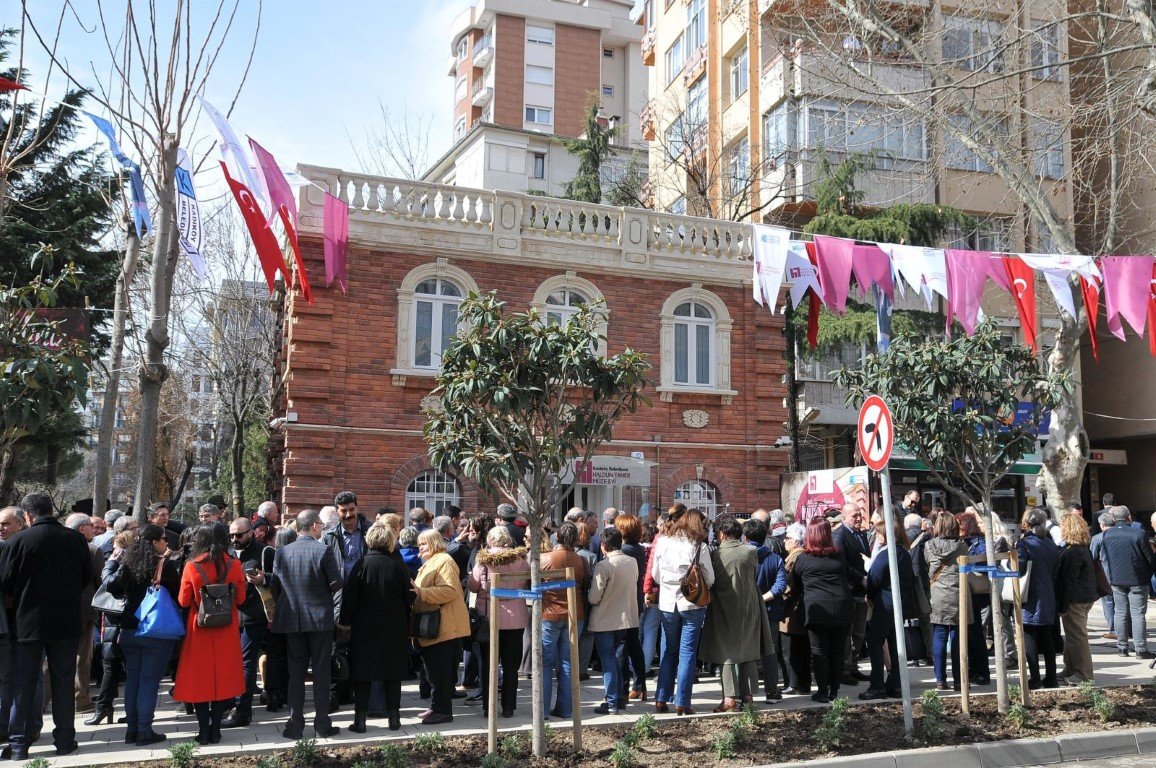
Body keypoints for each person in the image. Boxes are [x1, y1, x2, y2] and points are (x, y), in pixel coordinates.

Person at [0, 492, 91, 760]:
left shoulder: (17, 541)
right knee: (63, 682)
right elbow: (86, 576)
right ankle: (64, 740)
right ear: (52, 510)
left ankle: (18, 745)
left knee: (23, 683)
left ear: (27, 516)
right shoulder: (75, 539)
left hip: (28, 622)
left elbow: (5, 580)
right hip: (66, 622)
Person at [102, 524, 180, 746]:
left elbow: (111, 585)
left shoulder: (128, 564)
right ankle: (145, 731)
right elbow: (178, 597)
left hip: (129, 629)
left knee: (134, 680)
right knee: (149, 681)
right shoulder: (165, 566)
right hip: (156, 630)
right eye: (164, 539)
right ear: (155, 542)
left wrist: (111, 562)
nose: (166, 543)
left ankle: (132, 731)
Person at [270, 510, 342, 739]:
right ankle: (322, 723)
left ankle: (295, 723)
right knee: (322, 672)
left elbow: (274, 586)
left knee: (296, 672)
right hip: (319, 619)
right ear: (313, 526)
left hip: (292, 618)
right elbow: (336, 583)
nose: (321, 528)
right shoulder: (323, 550)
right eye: (320, 524)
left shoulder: (281, 553)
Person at [174, 524, 247, 744]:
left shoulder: (191, 566)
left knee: (200, 681)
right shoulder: (235, 564)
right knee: (222, 679)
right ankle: (216, 730)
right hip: (226, 628)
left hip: (200, 629)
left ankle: (203, 731)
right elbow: (241, 599)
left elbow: (183, 601)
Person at [340, 522, 412, 732]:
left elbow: (349, 599)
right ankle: (394, 719)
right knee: (393, 674)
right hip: (394, 627)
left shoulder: (361, 565)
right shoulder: (398, 566)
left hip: (365, 629)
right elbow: (408, 597)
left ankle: (360, 721)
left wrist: (345, 625)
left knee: (363, 674)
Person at [701, 517, 772, 712]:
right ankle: (748, 696)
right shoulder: (751, 552)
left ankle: (729, 698)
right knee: (748, 650)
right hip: (749, 605)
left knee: (726, 653)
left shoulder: (715, 555)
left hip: (722, 607)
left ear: (722, 534)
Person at [650, 505, 714, 715]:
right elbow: (710, 579)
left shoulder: (663, 542)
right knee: (687, 653)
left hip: (668, 602)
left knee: (668, 651)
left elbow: (656, 575)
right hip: (692, 603)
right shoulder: (698, 545)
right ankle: (682, 702)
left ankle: (661, 699)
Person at [789, 518, 853, 704]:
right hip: (841, 608)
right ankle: (835, 689)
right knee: (837, 650)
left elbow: (794, 584)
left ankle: (823, 690)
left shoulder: (803, 559)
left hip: (816, 610)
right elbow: (849, 575)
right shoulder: (838, 556)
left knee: (819, 652)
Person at [412, 529, 470, 725]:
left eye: (425, 543)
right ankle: (436, 706)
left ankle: (443, 711)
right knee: (434, 671)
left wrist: (421, 592)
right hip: (435, 626)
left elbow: (449, 591)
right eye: (419, 543)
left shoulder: (444, 560)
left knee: (441, 672)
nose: (421, 547)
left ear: (435, 543)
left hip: (445, 625)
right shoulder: (431, 561)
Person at [469, 526, 527, 719]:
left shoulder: (483, 559)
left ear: (491, 541)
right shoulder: (520, 559)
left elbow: (473, 586)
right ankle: (509, 707)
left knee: (488, 664)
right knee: (511, 665)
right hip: (516, 615)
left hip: (490, 616)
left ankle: (488, 706)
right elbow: (527, 581)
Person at [222, 517, 268, 728]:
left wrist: (264, 579)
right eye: (231, 535)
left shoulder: (264, 552)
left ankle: (243, 710)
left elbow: (279, 579)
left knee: (246, 663)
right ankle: (231, 703)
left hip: (253, 615)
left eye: (239, 534)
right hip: (231, 615)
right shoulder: (228, 552)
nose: (234, 538)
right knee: (232, 662)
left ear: (251, 532)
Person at [587, 526, 639, 715]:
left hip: (605, 619)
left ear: (603, 546)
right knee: (616, 659)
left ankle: (611, 702)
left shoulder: (604, 565)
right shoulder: (631, 561)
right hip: (625, 618)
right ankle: (618, 698)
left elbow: (594, 597)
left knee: (608, 660)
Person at [860, 519, 913, 700]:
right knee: (896, 644)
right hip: (900, 605)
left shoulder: (886, 554)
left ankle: (877, 685)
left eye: (880, 533)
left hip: (885, 604)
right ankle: (896, 684)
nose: (877, 536)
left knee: (875, 642)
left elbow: (873, 578)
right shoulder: (904, 553)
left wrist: (869, 594)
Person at [539, 522, 588, 720]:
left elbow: (536, 583)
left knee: (545, 664)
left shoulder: (545, 559)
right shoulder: (580, 560)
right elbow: (583, 583)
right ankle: (565, 709)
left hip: (549, 613)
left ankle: (542, 711)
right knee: (568, 663)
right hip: (574, 614)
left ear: (557, 537)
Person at [1100, 505, 1155, 658]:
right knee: (1137, 614)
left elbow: (1106, 558)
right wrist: (1148, 574)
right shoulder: (1139, 534)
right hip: (1137, 578)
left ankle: (1122, 647)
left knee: (1120, 612)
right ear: (1128, 517)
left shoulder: (1107, 535)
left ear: (1113, 519)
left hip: (1117, 579)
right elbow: (1150, 558)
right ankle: (1140, 649)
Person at [1017, 507, 1062, 688]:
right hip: (1048, 595)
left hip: (1031, 595)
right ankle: (1051, 677)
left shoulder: (1025, 543)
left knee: (1029, 637)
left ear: (1028, 523)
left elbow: (1019, 569)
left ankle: (1035, 678)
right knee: (1047, 638)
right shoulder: (1051, 544)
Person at [65, 512, 104, 714]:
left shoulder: (58, 547)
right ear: (82, 529)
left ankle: (44, 700)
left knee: (50, 656)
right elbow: (100, 581)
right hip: (83, 610)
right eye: (91, 525)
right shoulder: (92, 549)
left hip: (57, 610)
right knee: (82, 655)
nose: (95, 529)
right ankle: (80, 700)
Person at [925, 512, 968, 691]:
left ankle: (940, 680)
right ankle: (960, 679)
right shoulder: (962, 546)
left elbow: (927, 565)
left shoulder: (928, 546)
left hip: (937, 594)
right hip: (958, 593)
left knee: (939, 634)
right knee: (958, 637)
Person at [746, 518, 787, 703]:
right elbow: (780, 586)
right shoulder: (775, 558)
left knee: (745, 650)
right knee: (770, 652)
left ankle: (746, 692)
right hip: (770, 610)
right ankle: (771, 691)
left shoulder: (743, 557)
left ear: (745, 537)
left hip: (746, 611)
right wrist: (764, 598)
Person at [831, 503, 869, 686]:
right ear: (845, 516)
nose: (859, 518)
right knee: (848, 634)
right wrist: (860, 578)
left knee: (859, 633)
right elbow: (842, 564)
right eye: (854, 515)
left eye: (860, 514)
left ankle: (853, 666)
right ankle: (845, 669)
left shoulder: (861, 534)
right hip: (849, 591)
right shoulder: (839, 535)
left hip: (862, 592)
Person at [1057, 513, 1098, 684]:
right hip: (1085, 597)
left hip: (1076, 600)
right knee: (1073, 635)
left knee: (1077, 636)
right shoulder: (1083, 549)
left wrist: (1062, 606)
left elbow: (1069, 582)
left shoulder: (1072, 552)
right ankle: (1071, 667)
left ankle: (1084, 674)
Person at [615, 514, 648, 703]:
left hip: (624, 603)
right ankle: (640, 686)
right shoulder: (638, 549)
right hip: (635, 601)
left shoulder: (625, 550)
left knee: (622, 646)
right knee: (634, 644)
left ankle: (622, 690)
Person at [957, 510, 991, 686]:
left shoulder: (980, 542)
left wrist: (970, 564)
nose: (957, 528)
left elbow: (986, 563)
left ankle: (982, 673)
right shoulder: (961, 542)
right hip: (967, 592)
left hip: (976, 593)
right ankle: (973, 671)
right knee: (970, 634)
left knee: (976, 633)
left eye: (960, 524)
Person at [779, 522, 811, 695]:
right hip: (800, 608)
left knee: (790, 650)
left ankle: (793, 683)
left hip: (793, 611)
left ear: (797, 541)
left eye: (788, 538)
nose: (785, 541)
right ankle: (802, 684)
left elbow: (789, 587)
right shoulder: (803, 555)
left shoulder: (794, 558)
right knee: (802, 649)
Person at [1090, 512, 1119, 640]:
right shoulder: (1122, 534)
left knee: (1108, 603)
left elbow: (1092, 557)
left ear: (1102, 524)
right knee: (1122, 603)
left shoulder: (1097, 538)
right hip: (1122, 574)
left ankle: (1113, 629)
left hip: (1106, 575)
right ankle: (1124, 629)